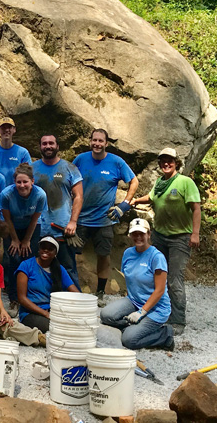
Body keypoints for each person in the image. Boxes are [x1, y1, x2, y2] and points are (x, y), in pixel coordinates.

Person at [129, 148, 200, 336]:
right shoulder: (160, 183)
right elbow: (151, 198)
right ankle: (156, 312)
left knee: (174, 279)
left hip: (180, 238)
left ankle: (177, 321)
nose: (166, 164)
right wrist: (136, 200)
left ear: (176, 162)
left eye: (169, 160)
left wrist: (195, 234)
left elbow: (196, 208)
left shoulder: (185, 182)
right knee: (156, 276)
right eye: (162, 161)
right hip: (160, 236)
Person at [73, 128, 138, 304]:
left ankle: (100, 293)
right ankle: (69, 290)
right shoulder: (80, 159)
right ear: (90, 141)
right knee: (71, 254)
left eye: (101, 141)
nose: (97, 144)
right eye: (94, 140)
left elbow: (134, 181)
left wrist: (124, 205)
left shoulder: (116, 162)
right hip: (81, 219)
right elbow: (68, 181)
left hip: (105, 220)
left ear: (106, 143)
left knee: (103, 256)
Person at [100, 218, 174, 350]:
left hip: (156, 308)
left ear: (149, 234)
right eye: (135, 234)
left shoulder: (156, 257)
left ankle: (164, 335)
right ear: (130, 235)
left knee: (129, 340)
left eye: (142, 234)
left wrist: (141, 312)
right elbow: (130, 280)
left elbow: (160, 290)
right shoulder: (128, 253)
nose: (138, 237)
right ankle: (135, 325)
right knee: (106, 315)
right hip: (134, 301)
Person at [32, 134, 84, 287]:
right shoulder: (33, 168)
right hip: (39, 228)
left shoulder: (70, 168)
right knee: (39, 268)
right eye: (44, 143)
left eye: (51, 143)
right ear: (40, 146)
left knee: (67, 268)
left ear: (57, 146)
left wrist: (73, 222)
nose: (48, 146)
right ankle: (43, 300)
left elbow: (79, 196)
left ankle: (76, 303)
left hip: (63, 228)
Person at [0, 163, 47, 304]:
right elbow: (7, 218)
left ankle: (29, 294)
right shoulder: (7, 194)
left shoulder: (40, 195)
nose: (22, 185)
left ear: (32, 181)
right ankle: (13, 297)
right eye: (19, 182)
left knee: (29, 257)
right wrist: (14, 239)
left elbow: (35, 219)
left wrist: (26, 240)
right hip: (11, 225)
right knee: (13, 257)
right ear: (15, 183)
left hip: (30, 226)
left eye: (25, 182)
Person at [15, 236, 80, 333]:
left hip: (52, 311)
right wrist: (45, 314)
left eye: (50, 249)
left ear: (55, 253)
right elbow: (22, 298)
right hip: (31, 312)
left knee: (75, 325)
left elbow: (75, 292)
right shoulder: (26, 266)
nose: (45, 250)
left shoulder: (59, 269)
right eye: (43, 247)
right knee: (56, 328)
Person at [0, 118, 31, 187]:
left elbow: (29, 174)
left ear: (14, 130)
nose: (6, 130)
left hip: (17, 191)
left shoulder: (22, 153)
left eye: (9, 127)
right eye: (3, 127)